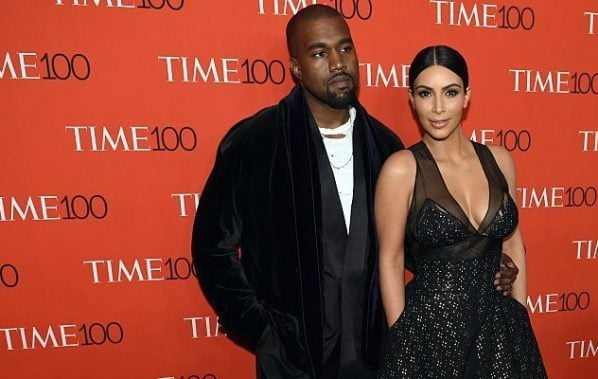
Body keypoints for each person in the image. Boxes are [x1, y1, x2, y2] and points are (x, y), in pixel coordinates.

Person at [192, 6, 519, 378]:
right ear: (296, 67)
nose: (337, 63)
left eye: (345, 49)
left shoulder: (385, 146)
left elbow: (411, 248)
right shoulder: (256, 142)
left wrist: (484, 261)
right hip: (293, 361)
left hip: (374, 356)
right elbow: (211, 247)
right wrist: (263, 331)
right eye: (319, 53)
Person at [376, 45, 547, 378]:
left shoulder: (499, 160)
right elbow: (391, 261)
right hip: (431, 333)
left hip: (500, 328)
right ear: (412, 99)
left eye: (450, 92)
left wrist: (518, 314)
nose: (439, 108)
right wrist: (403, 342)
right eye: (426, 94)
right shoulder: (401, 169)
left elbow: (513, 245)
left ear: (467, 96)